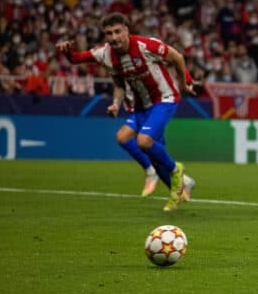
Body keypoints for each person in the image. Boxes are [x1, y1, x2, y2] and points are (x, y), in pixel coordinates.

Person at [56, 12, 195, 212]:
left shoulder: (145, 46)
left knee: (144, 142)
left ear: (126, 31)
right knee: (126, 139)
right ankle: (178, 187)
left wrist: (184, 83)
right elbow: (80, 60)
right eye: (109, 33)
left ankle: (176, 170)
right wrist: (67, 52)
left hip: (164, 99)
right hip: (140, 107)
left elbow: (177, 57)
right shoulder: (106, 54)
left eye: (117, 32)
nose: (113, 37)